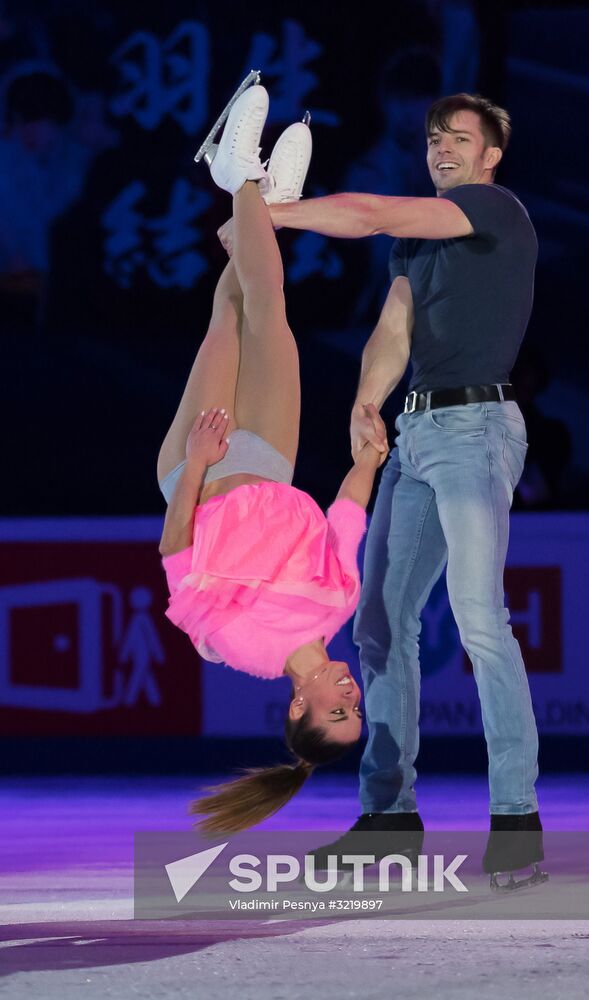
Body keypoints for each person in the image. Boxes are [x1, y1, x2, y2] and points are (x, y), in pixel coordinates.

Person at [248, 91, 546, 888]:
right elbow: (393, 328)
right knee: (378, 624)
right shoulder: (418, 246)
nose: (441, 148)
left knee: (482, 620)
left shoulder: (491, 209)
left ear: (489, 156)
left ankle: (514, 818)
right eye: (432, 138)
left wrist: (280, 213)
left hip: (476, 432)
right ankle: (389, 816)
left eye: (459, 138)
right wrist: (365, 400)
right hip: (415, 437)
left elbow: (374, 212)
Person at [157, 83, 387, 836]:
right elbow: (346, 517)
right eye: (357, 708)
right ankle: (250, 197)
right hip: (275, 458)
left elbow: (175, 557)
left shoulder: (239, 646)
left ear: (299, 707)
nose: (350, 695)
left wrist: (196, 461)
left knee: (232, 313)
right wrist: (369, 458)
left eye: (337, 710)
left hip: (205, 467)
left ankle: (247, 187)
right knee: (269, 302)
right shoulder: (339, 607)